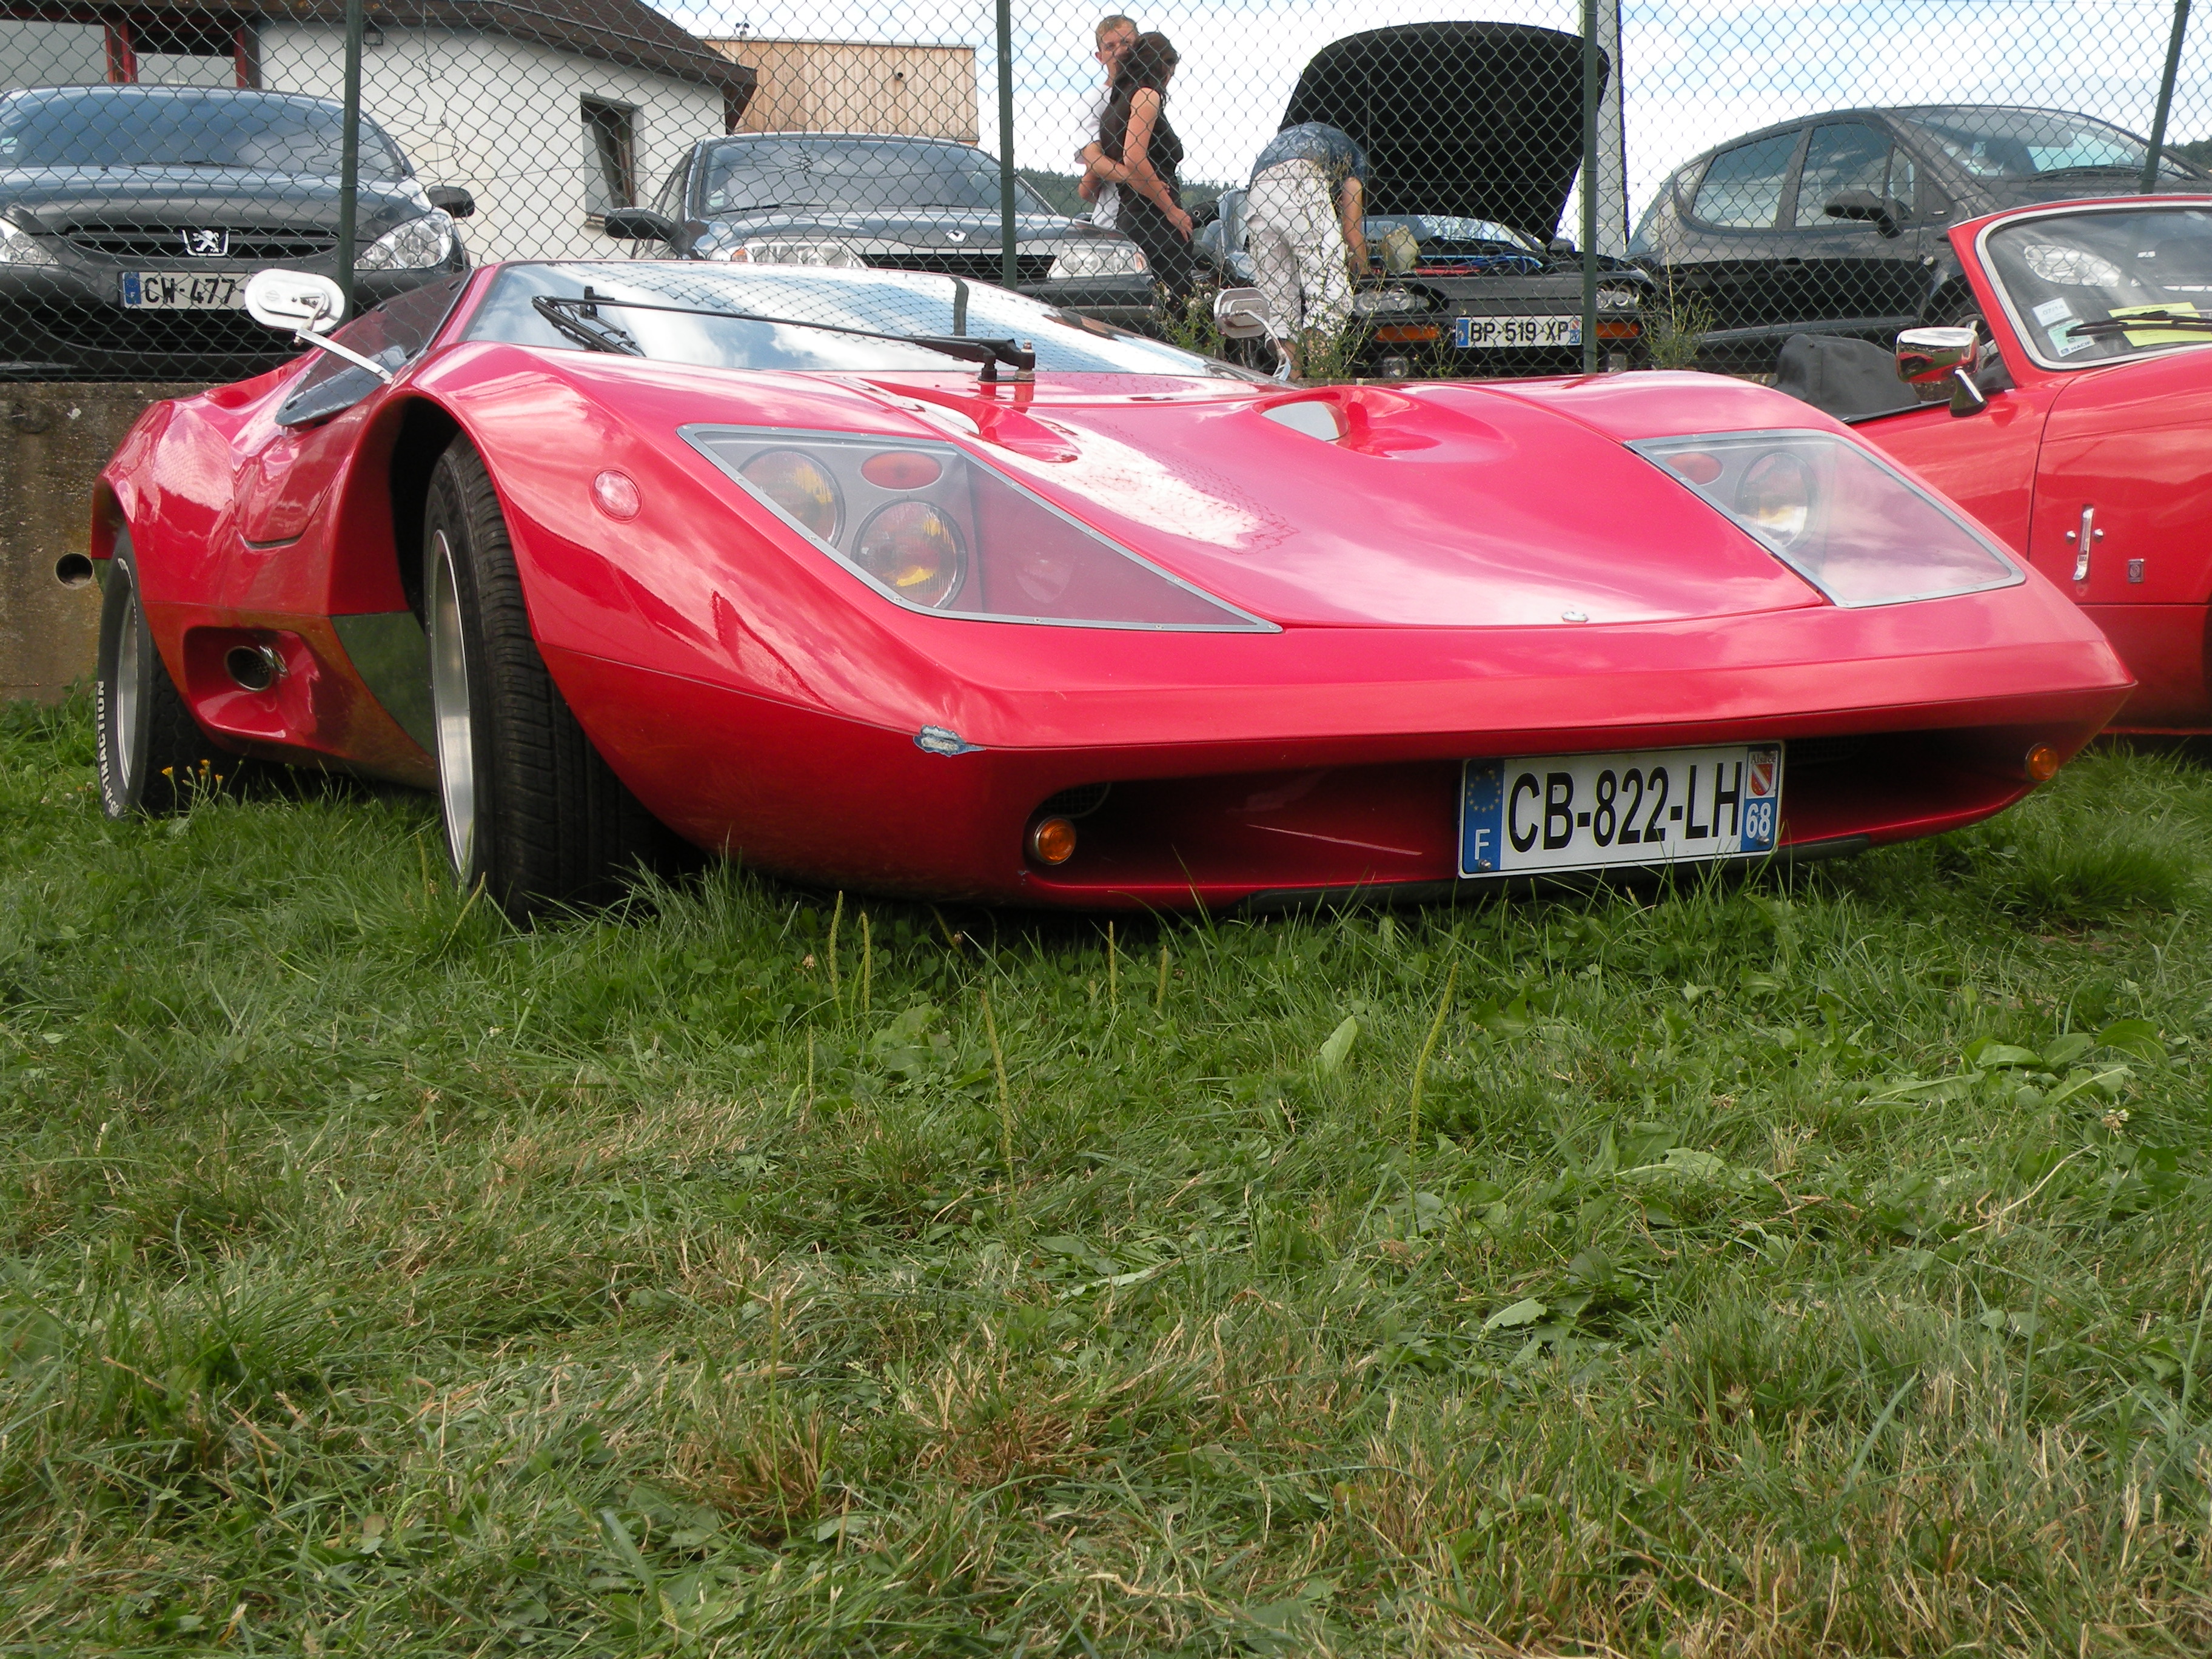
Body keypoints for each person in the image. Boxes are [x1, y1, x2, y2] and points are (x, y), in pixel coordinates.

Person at [1244, 121, 1369, 378]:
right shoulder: (1356, 155)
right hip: (1302, 180)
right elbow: (1352, 229)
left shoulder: (1311, 138)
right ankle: (1321, 378)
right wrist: (1365, 270)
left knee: (1278, 302)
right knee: (1329, 293)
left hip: (1258, 187)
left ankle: (1291, 380)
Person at [1092, 32, 1196, 312]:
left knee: (1147, 307)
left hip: (1131, 214)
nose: (1169, 80)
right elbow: (1135, 157)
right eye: (1170, 72)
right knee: (1176, 308)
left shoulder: (1117, 102)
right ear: (1164, 65)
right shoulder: (1147, 95)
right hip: (1155, 219)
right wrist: (1171, 210)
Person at [1075, 15, 1138, 231]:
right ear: (1100, 56)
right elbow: (1093, 159)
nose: (1120, 51)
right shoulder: (1094, 101)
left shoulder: (1149, 95)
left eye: (1127, 43)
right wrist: (1143, 182)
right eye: (1110, 46)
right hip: (1112, 222)